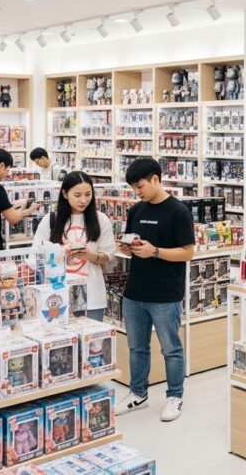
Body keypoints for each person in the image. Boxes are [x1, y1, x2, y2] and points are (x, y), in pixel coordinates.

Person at [115, 158, 195, 422]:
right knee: (137, 347)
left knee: (171, 349)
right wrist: (128, 248)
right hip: (135, 291)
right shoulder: (136, 210)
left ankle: (175, 396)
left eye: (140, 186)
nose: (137, 192)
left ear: (156, 179)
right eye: (133, 188)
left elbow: (188, 253)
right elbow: (134, 243)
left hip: (165, 294)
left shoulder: (178, 211)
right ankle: (138, 393)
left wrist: (155, 252)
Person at [33, 171, 116, 321]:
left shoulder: (101, 220)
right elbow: (36, 255)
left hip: (92, 295)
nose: (83, 200)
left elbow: (108, 255)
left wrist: (90, 255)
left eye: (88, 194)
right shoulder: (51, 220)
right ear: (65, 194)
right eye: (77, 195)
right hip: (56, 296)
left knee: (91, 335)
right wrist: (60, 254)